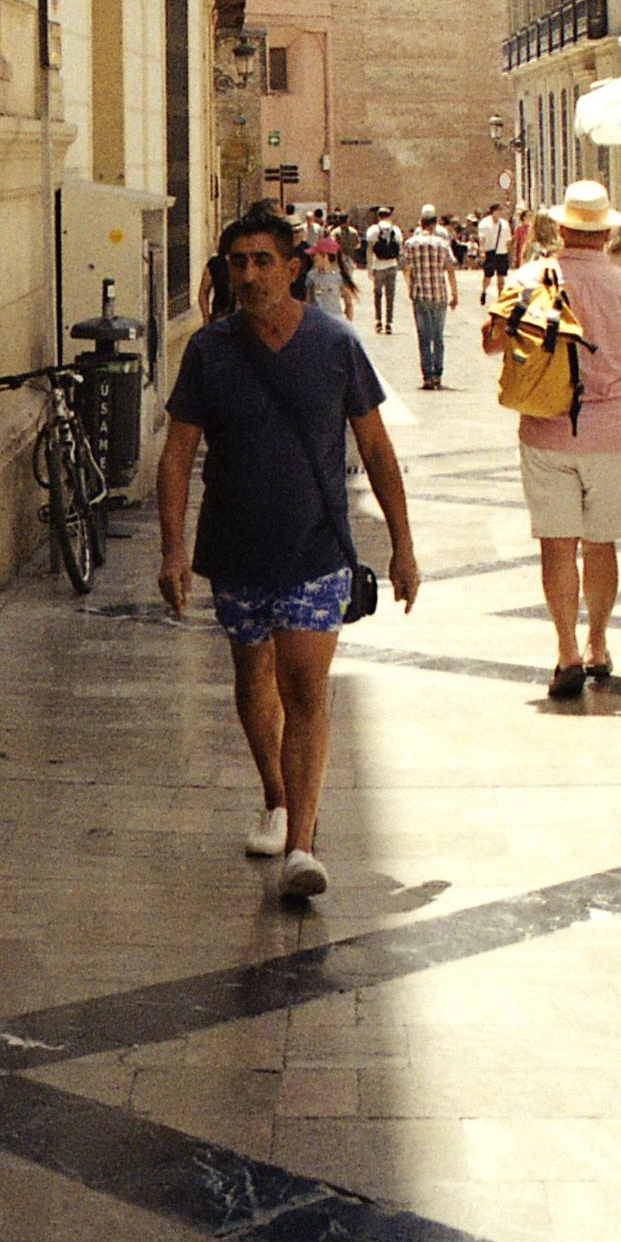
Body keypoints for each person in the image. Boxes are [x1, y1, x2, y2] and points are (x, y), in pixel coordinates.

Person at [157, 205, 419, 902]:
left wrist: (403, 546)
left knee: (306, 690)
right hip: (236, 551)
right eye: (238, 262)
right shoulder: (209, 352)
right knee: (254, 681)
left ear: (294, 267)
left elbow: (377, 448)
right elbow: (177, 453)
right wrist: (172, 548)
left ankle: (303, 843)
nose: (249, 273)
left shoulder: (335, 344)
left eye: (262, 260)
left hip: (314, 551)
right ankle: (275, 797)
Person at [485, 179, 621, 699]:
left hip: (545, 428)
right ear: (606, 234)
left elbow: (493, 343)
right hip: (611, 431)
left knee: (556, 548)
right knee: (601, 544)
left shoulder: (529, 277)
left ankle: (566, 652)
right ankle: (598, 642)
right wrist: (610, 392)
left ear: (560, 228)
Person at [402, 203, 457, 388]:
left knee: (423, 337)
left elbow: (406, 268)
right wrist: (454, 294)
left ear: (421, 223)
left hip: (420, 295)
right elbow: (450, 269)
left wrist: (410, 287)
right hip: (439, 295)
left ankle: (426, 376)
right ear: (434, 224)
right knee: (438, 336)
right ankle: (437, 375)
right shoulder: (443, 244)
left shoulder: (410, 244)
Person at [366, 208, 403, 336]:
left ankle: (378, 320)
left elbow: (370, 249)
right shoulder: (396, 230)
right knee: (390, 295)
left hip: (378, 266)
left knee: (377, 294)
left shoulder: (373, 230)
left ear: (378, 216)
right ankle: (389, 323)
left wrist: (369, 267)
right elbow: (400, 250)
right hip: (392, 265)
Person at [477, 206, 512, 300]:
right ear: (493, 212)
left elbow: (508, 238)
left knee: (501, 278)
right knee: (488, 276)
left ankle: (500, 297)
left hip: (502, 252)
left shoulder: (504, 224)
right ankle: (484, 291)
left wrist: (508, 251)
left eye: (500, 211)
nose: (499, 213)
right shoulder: (485, 223)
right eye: (497, 211)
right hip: (490, 252)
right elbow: (482, 239)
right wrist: (482, 251)